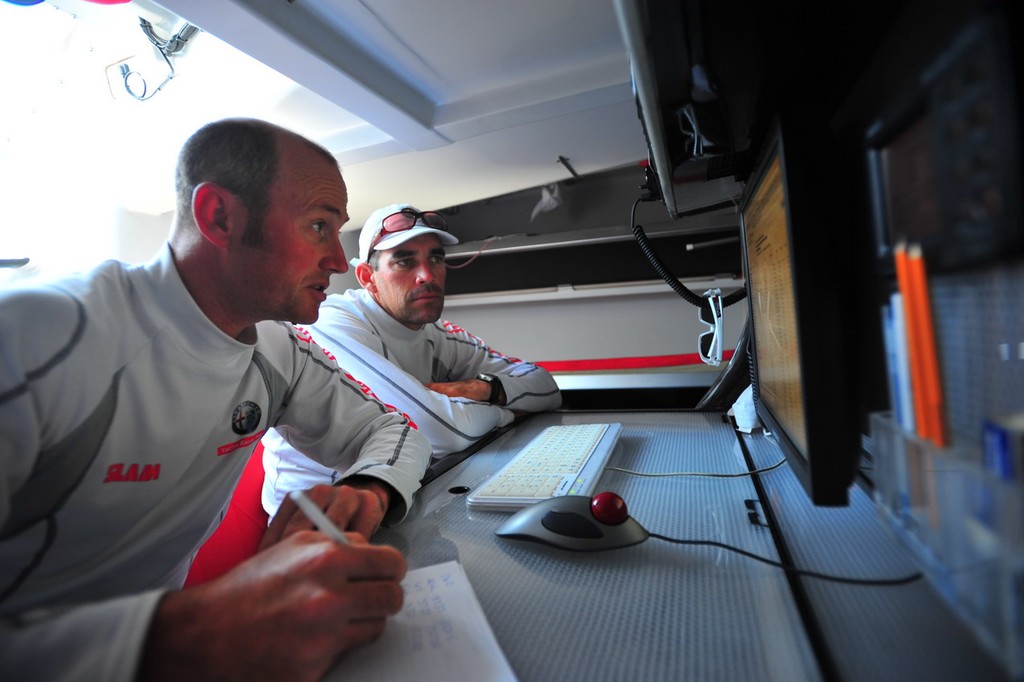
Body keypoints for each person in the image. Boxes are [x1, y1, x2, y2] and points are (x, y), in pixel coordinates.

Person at [0, 119, 433, 681]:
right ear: (219, 217)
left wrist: (366, 491)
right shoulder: (37, 336)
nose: (336, 259)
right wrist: (176, 636)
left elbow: (394, 431)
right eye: (319, 226)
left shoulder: (277, 347)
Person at [261, 203, 562, 516]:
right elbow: (440, 433)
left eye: (436, 258)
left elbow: (546, 386)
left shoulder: (435, 331)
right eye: (404, 262)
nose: (427, 275)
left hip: (414, 491)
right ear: (367, 277)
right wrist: (505, 413)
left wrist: (487, 390)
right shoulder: (332, 322)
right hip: (316, 520)